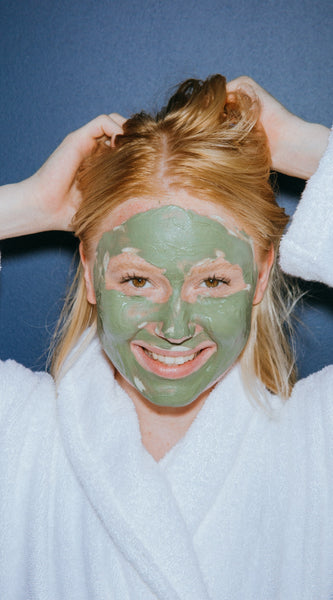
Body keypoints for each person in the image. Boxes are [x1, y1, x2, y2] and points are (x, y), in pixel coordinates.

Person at [0, 75, 332, 600]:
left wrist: (307, 147)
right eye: (137, 280)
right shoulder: (15, 436)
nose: (175, 329)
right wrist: (26, 204)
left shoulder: (320, 442)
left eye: (213, 281)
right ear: (90, 273)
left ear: (261, 277)